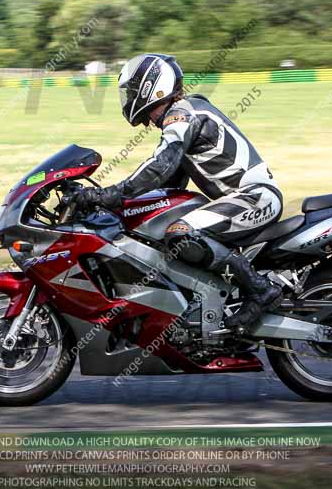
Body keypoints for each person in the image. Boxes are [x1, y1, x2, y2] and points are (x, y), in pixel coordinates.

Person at [71, 53, 283, 329]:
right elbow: (168, 182)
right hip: (246, 198)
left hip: (254, 198)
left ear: (150, 87)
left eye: (132, 91)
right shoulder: (184, 114)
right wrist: (117, 205)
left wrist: (109, 194)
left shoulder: (181, 114)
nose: (129, 97)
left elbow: (159, 166)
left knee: (181, 233)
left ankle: (261, 290)